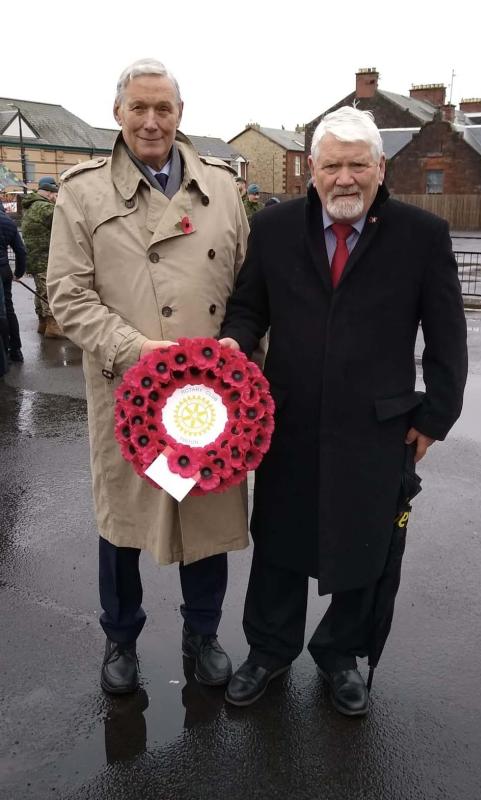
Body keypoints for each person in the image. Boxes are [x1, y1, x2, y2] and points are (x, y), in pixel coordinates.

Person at [219, 106, 467, 715]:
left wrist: (434, 418)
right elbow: (249, 308)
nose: (345, 178)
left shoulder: (421, 236)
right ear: (313, 170)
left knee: (363, 546)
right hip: (286, 421)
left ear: (381, 169)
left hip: (377, 426)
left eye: (359, 165)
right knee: (279, 542)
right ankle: (270, 650)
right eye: (332, 165)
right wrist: (234, 343)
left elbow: (447, 335)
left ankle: (339, 654)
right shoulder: (274, 228)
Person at [47, 58, 250, 696]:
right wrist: (138, 351)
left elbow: (249, 289)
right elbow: (67, 295)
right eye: (139, 108)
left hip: (209, 396)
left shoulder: (223, 188)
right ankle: (120, 640)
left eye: (164, 108)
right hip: (129, 392)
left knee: (206, 517)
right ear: (118, 114)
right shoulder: (81, 193)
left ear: (181, 115)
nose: (152, 121)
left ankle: (204, 633)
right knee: (123, 528)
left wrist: (240, 359)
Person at [21, 176, 64, 338]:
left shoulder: (31, 205)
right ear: (48, 192)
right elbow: (66, 222)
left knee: (40, 290)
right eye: (54, 194)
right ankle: (53, 326)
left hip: (34, 256)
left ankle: (43, 323)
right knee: (49, 291)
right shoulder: (44, 208)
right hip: (45, 257)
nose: (56, 197)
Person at [0, 204, 26, 363]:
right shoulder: (8, 222)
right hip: (3, 270)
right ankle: (15, 349)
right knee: (8, 309)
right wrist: (18, 273)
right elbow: (21, 251)